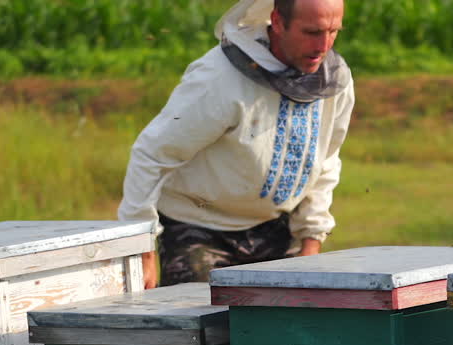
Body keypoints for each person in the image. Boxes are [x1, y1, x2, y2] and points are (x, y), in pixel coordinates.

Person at [118, 0, 354, 288]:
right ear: (277, 22)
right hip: (199, 230)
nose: (324, 45)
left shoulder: (334, 82)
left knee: (292, 328)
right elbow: (152, 155)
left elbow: (324, 162)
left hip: (275, 229)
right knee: (207, 328)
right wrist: (141, 250)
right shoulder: (218, 78)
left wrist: (311, 242)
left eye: (333, 31)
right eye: (312, 32)